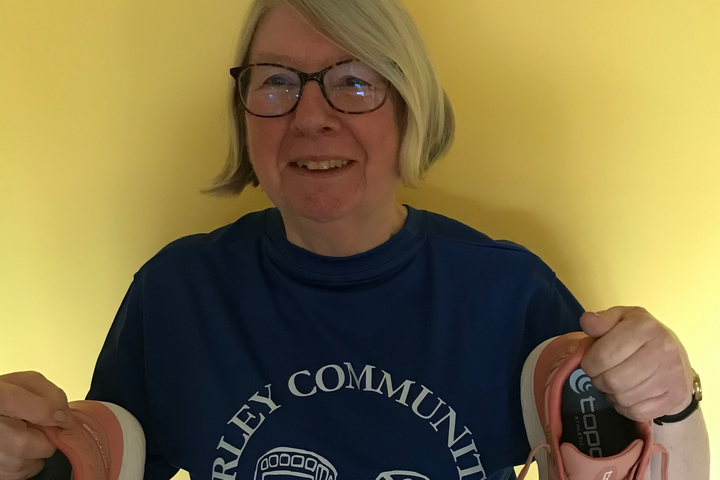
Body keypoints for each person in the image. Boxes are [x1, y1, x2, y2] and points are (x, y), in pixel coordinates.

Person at [0, 0, 710, 479]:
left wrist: (672, 402)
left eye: (354, 81)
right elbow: (91, 454)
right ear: (244, 114)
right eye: (277, 82)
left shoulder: (506, 291)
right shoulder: (175, 295)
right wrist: (23, 454)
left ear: (409, 109)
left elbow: (637, 461)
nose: (310, 116)